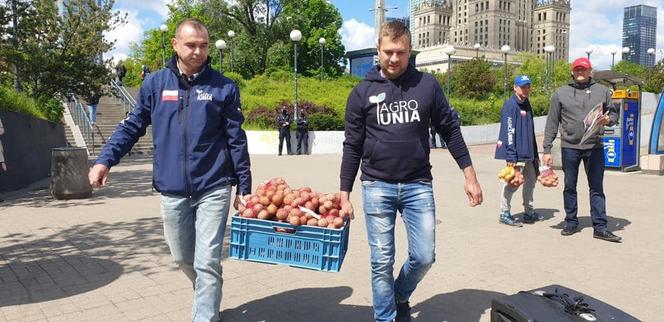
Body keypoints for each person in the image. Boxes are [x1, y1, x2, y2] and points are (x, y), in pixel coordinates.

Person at [88, 18, 252, 322]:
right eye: (191, 45)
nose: (198, 51)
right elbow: (133, 126)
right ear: (175, 45)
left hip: (214, 186)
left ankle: (205, 314)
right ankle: (210, 286)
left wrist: (244, 188)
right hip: (172, 189)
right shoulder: (155, 84)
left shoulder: (223, 87)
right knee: (182, 258)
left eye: (203, 45)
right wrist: (104, 160)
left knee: (206, 260)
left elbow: (236, 140)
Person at [338, 21, 483, 322]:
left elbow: (450, 131)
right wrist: (344, 193)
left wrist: (469, 175)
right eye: (388, 52)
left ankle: (399, 294)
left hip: (418, 185)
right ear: (378, 50)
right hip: (376, 186)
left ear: (410, 51)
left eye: (400, 52)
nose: (393, 59)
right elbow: (352, 146)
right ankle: (386, 317)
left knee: (424, 257)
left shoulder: (427, 86)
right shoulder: (361, 93)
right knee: (381, 262)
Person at [542, 57, 621, 243]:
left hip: (594, 146)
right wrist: (546, 149)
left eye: (583, 69)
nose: (580, 72)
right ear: (572, 71)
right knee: (570, 186)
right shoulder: (560, 93)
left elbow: (614, 113)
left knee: (596, 188)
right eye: (577, 69)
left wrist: (609, 119)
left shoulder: (602, 91)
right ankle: (571, 222)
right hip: (570, 147)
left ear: (590, 71)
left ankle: (600, 227)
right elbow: (552, 123)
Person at [495, 75, 541, 227]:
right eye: (522, 87)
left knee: (531, 181)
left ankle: (529, 212)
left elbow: (530, 130)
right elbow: (508, 131)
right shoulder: (511, 105)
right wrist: (511, 155)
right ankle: (504, 213)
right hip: (516, 154)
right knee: (513, 183)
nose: (526, 89)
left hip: (529, 153)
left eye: (528, 86)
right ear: (515, 87)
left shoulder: (526, 104)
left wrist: (535, 153)